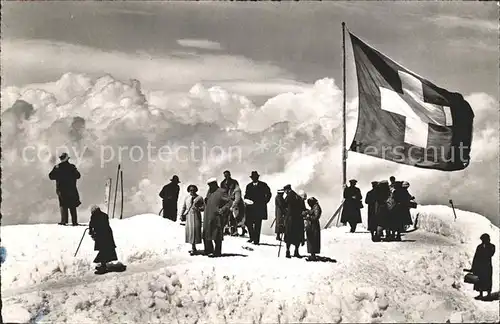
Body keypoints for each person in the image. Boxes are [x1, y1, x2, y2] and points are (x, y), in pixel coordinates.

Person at [49, 152, 82, 226]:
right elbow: (78, 176)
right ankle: (74, 222)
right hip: (71, 189)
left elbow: (51, 176)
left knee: (63, 204)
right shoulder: (72, 167)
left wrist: (58, 176)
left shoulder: (57, 167)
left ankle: (64, 221)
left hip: (61, 189)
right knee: (72, 205)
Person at [203, 178, 232, 257]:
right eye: (209, 185)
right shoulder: (209, 192)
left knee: (216, 234)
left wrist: (222, 210)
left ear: (215, 184)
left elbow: (229, 202)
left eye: (211, 185)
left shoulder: (221, 191)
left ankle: (217, 252)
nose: (210, 186)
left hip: (216, 216)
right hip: (207, 215)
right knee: (206, 232)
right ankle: (209, 250)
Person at [244, 171, 272, 245]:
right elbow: (246, 195)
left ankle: (256, 240)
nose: (254, 179)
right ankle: (252, 237)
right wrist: (246, 200)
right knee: (248, 223)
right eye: (253, 177)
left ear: (258, 177)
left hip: (259, 208)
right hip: (250, 208)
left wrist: (265, 201)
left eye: (255, 177)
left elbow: (269, 194)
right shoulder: (249, 186)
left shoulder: (263, 185)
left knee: (257, 224)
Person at [89, 205, 118, 274]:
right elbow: (92, 224)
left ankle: (103, 268)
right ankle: (103, 265)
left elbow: (93, 225)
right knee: (104, 250)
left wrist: (92, 233)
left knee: (103, 251)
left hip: (102, 236)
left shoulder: (95, 216)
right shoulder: (104, 215)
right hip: (106, 235)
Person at [469, 233, 495, 300]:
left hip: (487, 267)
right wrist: (473, 266)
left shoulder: (492, 246)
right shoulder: (479, 247)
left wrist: (485, 248)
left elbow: (490, 254)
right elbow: (476, 257)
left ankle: (488, 294)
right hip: (480, 267)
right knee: (480, 280)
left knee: (488, 280)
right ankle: (480, 294)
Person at [180, 185, 205, 255]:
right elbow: (184, 207)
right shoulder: (187, 198)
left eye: (193, 190)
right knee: (191, 231)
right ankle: (192, 246)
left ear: (196, 190)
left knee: (195, 230)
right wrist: (182, 214)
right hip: (189, 216)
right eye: (190, 190)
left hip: (196, 215)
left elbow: (203, 207)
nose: (192, 191)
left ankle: (194, 247)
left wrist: (199, 208)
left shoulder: (199, 198)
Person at [283, 184, 305, 258]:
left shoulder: (289, 196)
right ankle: (296, 251)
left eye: (285, 191)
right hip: (298, 219)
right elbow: (303, 208)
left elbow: (284, 205)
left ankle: (288, 251)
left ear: (287, 190)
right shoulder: (298, 196)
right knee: (297, 236)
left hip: (290, 219)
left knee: (288, 235)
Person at [221, 171, 243, 236]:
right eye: (225, 175)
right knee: (225, 216)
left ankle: (234, 231)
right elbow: (222, 191)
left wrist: (235, 198)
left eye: (227, 175)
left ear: (230, 175)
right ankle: (226, 230)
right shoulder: (222, 183)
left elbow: (237, 190)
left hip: (233, 200)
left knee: (233, 216)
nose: (226, 176)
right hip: (226, 200)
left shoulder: (234, 182)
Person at [302, 197, 322, 261]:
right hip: (312, 225)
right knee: (311, 239)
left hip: (314, 226)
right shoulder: (315, 207)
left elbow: (316, 217)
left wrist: (308, 217)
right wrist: (308, 212)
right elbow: (312, 213)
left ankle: (313, 255)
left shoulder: (316, 207)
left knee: (313, 240)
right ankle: (312, 254)